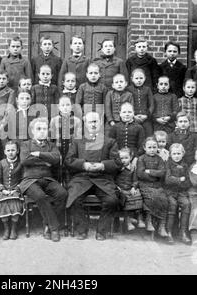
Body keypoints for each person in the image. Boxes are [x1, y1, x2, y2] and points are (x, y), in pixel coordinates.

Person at [66, 111, 121, 240]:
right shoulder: (77, 141)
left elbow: (117, 163)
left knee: (111, 200)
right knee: (74, 199)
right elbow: (68, 160)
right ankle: (82, 229)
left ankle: (102, 231)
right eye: (91, 122)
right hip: (82, 178)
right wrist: (83, 165)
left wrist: (103, 165)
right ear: (86, 123)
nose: (93, 124)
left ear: (100, 123)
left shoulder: (110, 141)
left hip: (102, 179)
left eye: (96, 121)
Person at [19, 117, 67, 242]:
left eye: (44, 129)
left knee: (62, 194)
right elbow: (25, 160)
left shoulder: (51, 145)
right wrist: (46, 161)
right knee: (40, 196)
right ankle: (54, 228)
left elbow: (56, 158)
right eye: (38, 129)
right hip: (30, 180)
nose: (42, 131)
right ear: (32, 131)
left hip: (47, 178)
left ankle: (47, 224)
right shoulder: (25, 144)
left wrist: (39, 154)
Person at [136, 137, 169, 237]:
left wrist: (149, 171)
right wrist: (154, 176)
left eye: (154, 147)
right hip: (144, 184)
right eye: (149, 147)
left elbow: (162, 173)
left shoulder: (159, 159)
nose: (152, 149)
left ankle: (162, 226)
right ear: (144, 148)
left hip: (157, 185)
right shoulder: (141, 159)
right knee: (151, 198)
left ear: (157, 148)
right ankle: (149, 221)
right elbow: (140, 174)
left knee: (164, 199)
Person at [0, 141, 24, 240]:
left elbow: (24, 179)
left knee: (15, 202)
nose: (11, 152)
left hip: (16, 190)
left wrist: (16, 189)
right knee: (2, 203)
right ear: (5, 151)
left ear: (17, 151)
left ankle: (14, 229)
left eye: (13, 150)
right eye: (8, 150)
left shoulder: (21, 163)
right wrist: (2, 189)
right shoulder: (1, 163)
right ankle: (6, 229)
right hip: (3, 190)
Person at [49, 95, 83, 182]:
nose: (65, 107)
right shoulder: (54, 120)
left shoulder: (77, 121)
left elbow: (78, 139)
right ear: (59, 107)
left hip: (70, 150)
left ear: (71, 106)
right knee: (58, 170)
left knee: (70, 170)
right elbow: (51, 138)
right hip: (58, 149)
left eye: (67, 105)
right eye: (62, 105)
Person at [164, 143, 191, 244]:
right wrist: (180, 179)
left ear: (183, 154)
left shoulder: (185, 165)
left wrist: (178, 182)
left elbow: (188, 181)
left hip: (181, 192)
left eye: (179, 153)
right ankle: (169, 232)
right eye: (174, 153)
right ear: (170, 154)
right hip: (169, 192)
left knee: (186, 204)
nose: (176, 156)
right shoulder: (167, 164)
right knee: (172, 205)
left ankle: (182, 232)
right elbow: (167, 180)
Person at [115, 147, 145, 232]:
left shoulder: (132, 168)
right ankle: (127, 221)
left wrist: (134, 187)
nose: (124, 160)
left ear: (131, 158)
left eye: (126, 158)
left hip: (130, 188)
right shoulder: (117, 169)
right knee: (125, 198)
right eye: (121, 158)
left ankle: (140, 218)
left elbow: (135, 180)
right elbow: (113, 179)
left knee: (138, 195)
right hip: (120, 189)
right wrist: (117, 187)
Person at [127, 68, 154, 137]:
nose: (139, 80)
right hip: (133, 118)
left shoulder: (147, 89)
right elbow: (127, 104)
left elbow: (151, 104)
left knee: (149, 134)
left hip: (146, 118)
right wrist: (133, 116)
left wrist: (147, 115)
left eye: (141, 78)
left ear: (144, 78)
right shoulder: (129, 89)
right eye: (136, 78)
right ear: (132, 79)